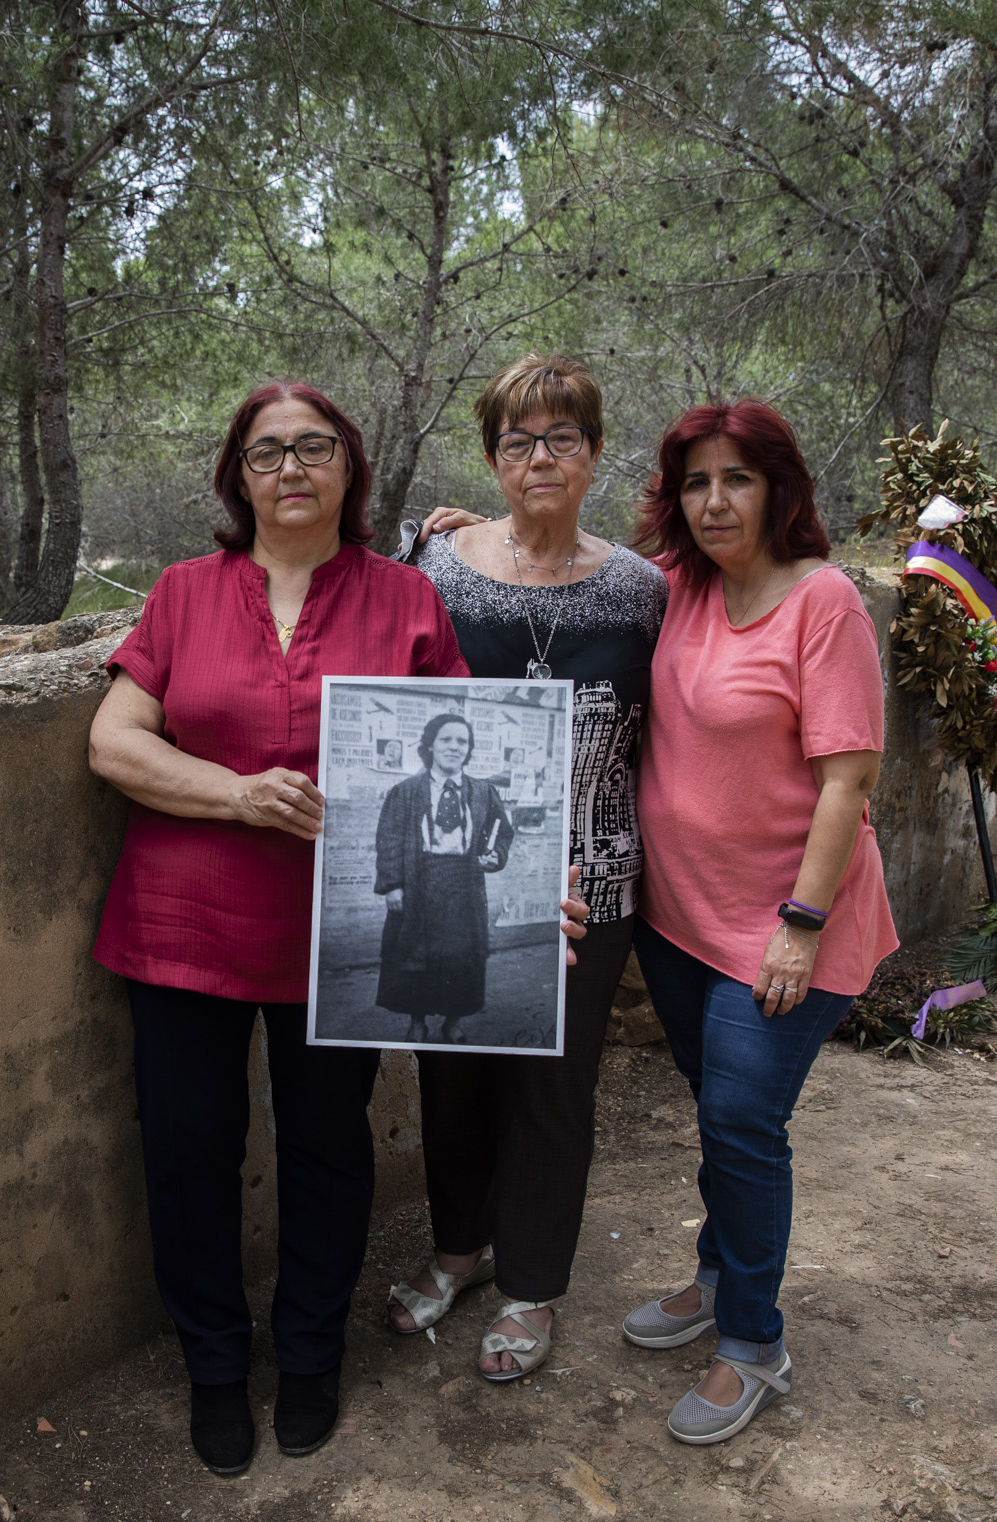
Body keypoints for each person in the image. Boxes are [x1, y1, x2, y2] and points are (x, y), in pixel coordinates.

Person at [85, 381, 483, 1477]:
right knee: (187, 1149)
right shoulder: (180, 593)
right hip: (181, 928)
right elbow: (115, 743)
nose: (291, 467)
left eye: (314, 447)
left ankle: (309, 1351)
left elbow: (471, 745)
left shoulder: (405, 597)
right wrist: (237, 795)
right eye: (266, 452)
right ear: (237, 475)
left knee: (324, 1146)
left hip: (345, 932)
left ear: (349, 469)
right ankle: (216, 1364)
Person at [616, 400, 895, 1445]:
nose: (714, 499)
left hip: (786, 924)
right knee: (715, 1107)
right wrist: (464, 533)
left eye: (736, 477)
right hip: (679, 914)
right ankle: (714, 1266)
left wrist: (800, 920)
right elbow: (578, 568)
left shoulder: (824, 603)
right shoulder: (680, 587)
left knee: (742, 1120)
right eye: (695, 481)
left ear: (780, 487)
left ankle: (753, 1342)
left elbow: (847, 779)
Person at [384, 354, 668, 1382]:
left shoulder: (645, 592)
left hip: (590, 881)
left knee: (553, 1086)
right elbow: (393, 697)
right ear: (493, 458)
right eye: (516, 440)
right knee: (451, 1071)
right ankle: (459, 1248)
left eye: (560, 437)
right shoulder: (439, 566)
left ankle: (531, 1283)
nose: (538, 456)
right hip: (456, 878)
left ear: (594, 453)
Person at [373, 712, 515, 1043]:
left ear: (469, 749)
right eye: (446, 739)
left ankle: (454, 1022)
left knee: (462, 957)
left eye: (461, 741)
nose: (454, 747)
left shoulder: (484, 792)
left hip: (465, 884)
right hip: (420, 881)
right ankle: (417, 1021)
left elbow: (502, 833)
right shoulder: (406, 791)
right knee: (417, 955)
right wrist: (392, 885)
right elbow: (389, 839)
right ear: (431, 745)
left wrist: (496, 856)